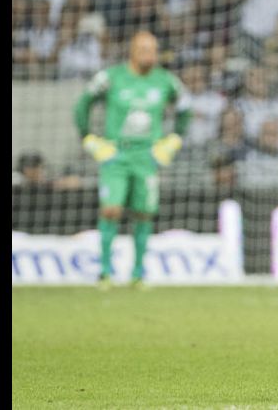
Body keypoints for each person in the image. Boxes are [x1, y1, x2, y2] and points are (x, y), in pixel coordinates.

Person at [73, 31, 192, 290]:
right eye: (144, 49)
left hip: (147, 156)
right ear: (132, 51)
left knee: (144, 213)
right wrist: (89, 138)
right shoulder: (111, 77)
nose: (150, 55)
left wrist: (174, 139)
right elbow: (83, 104)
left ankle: (138, 274)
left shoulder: (166, 80)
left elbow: (185, 107)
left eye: (154, 50)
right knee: (111, 209)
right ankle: (105, 273)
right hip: (116, 154)